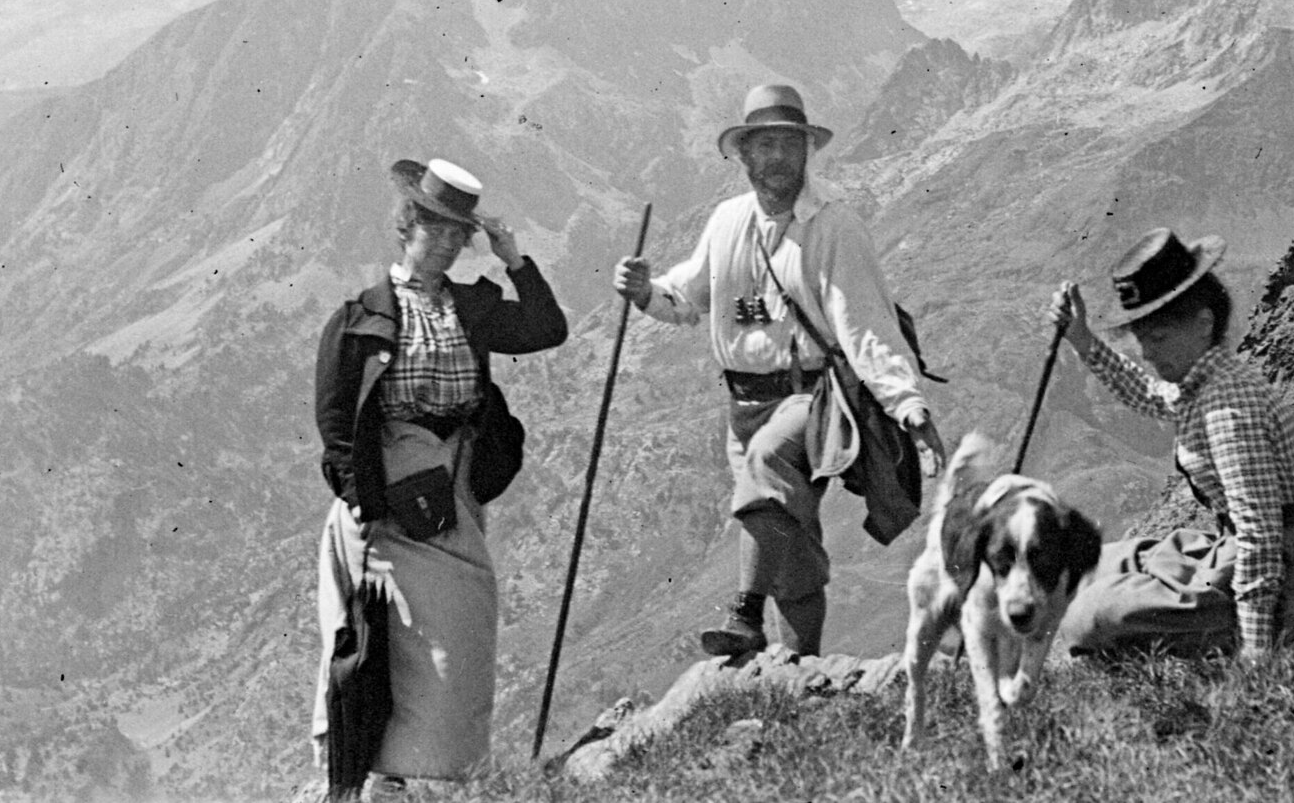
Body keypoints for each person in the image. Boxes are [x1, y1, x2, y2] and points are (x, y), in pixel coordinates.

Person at [614, 82, 949, 658]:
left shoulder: (833, 227)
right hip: (741, 404)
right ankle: (797, 670)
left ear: (806, 152)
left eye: (787, 145)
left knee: (768, 463)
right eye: (762, 146)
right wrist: (645, 292)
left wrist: (907, 404)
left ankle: (743, 613)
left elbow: (865, 323)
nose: (775, 158)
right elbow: (687, 297)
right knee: (788, 542)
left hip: (813, 400)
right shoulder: (726, 222)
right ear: (743, 154)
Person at [311, 158, 567, 794]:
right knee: (385, 644)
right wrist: (365, 505)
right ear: (408, 224)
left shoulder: (473, 308)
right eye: (439, 228)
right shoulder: (359, 318)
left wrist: (515, 259)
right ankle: (380, 781)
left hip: (450, 492)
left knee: (459, 641)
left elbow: (546, 328)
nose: (450, 243)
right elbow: (337, 423)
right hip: (385, 505)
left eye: (462, 233)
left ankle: (434, 774)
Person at [1046, 226, 1294, 661]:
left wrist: (1256, 647)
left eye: (1159, 340)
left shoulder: (1228, 408)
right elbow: (1151, 395)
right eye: (1142, 342)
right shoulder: (1206, 383)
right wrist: (1082, 339)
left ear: (1203, 323)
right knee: (1096, 565)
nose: (1148, 355)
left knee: (1093, 615)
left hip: (1291, 590)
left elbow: (1259, 534)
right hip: (1249, 556)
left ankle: (1223, 639)